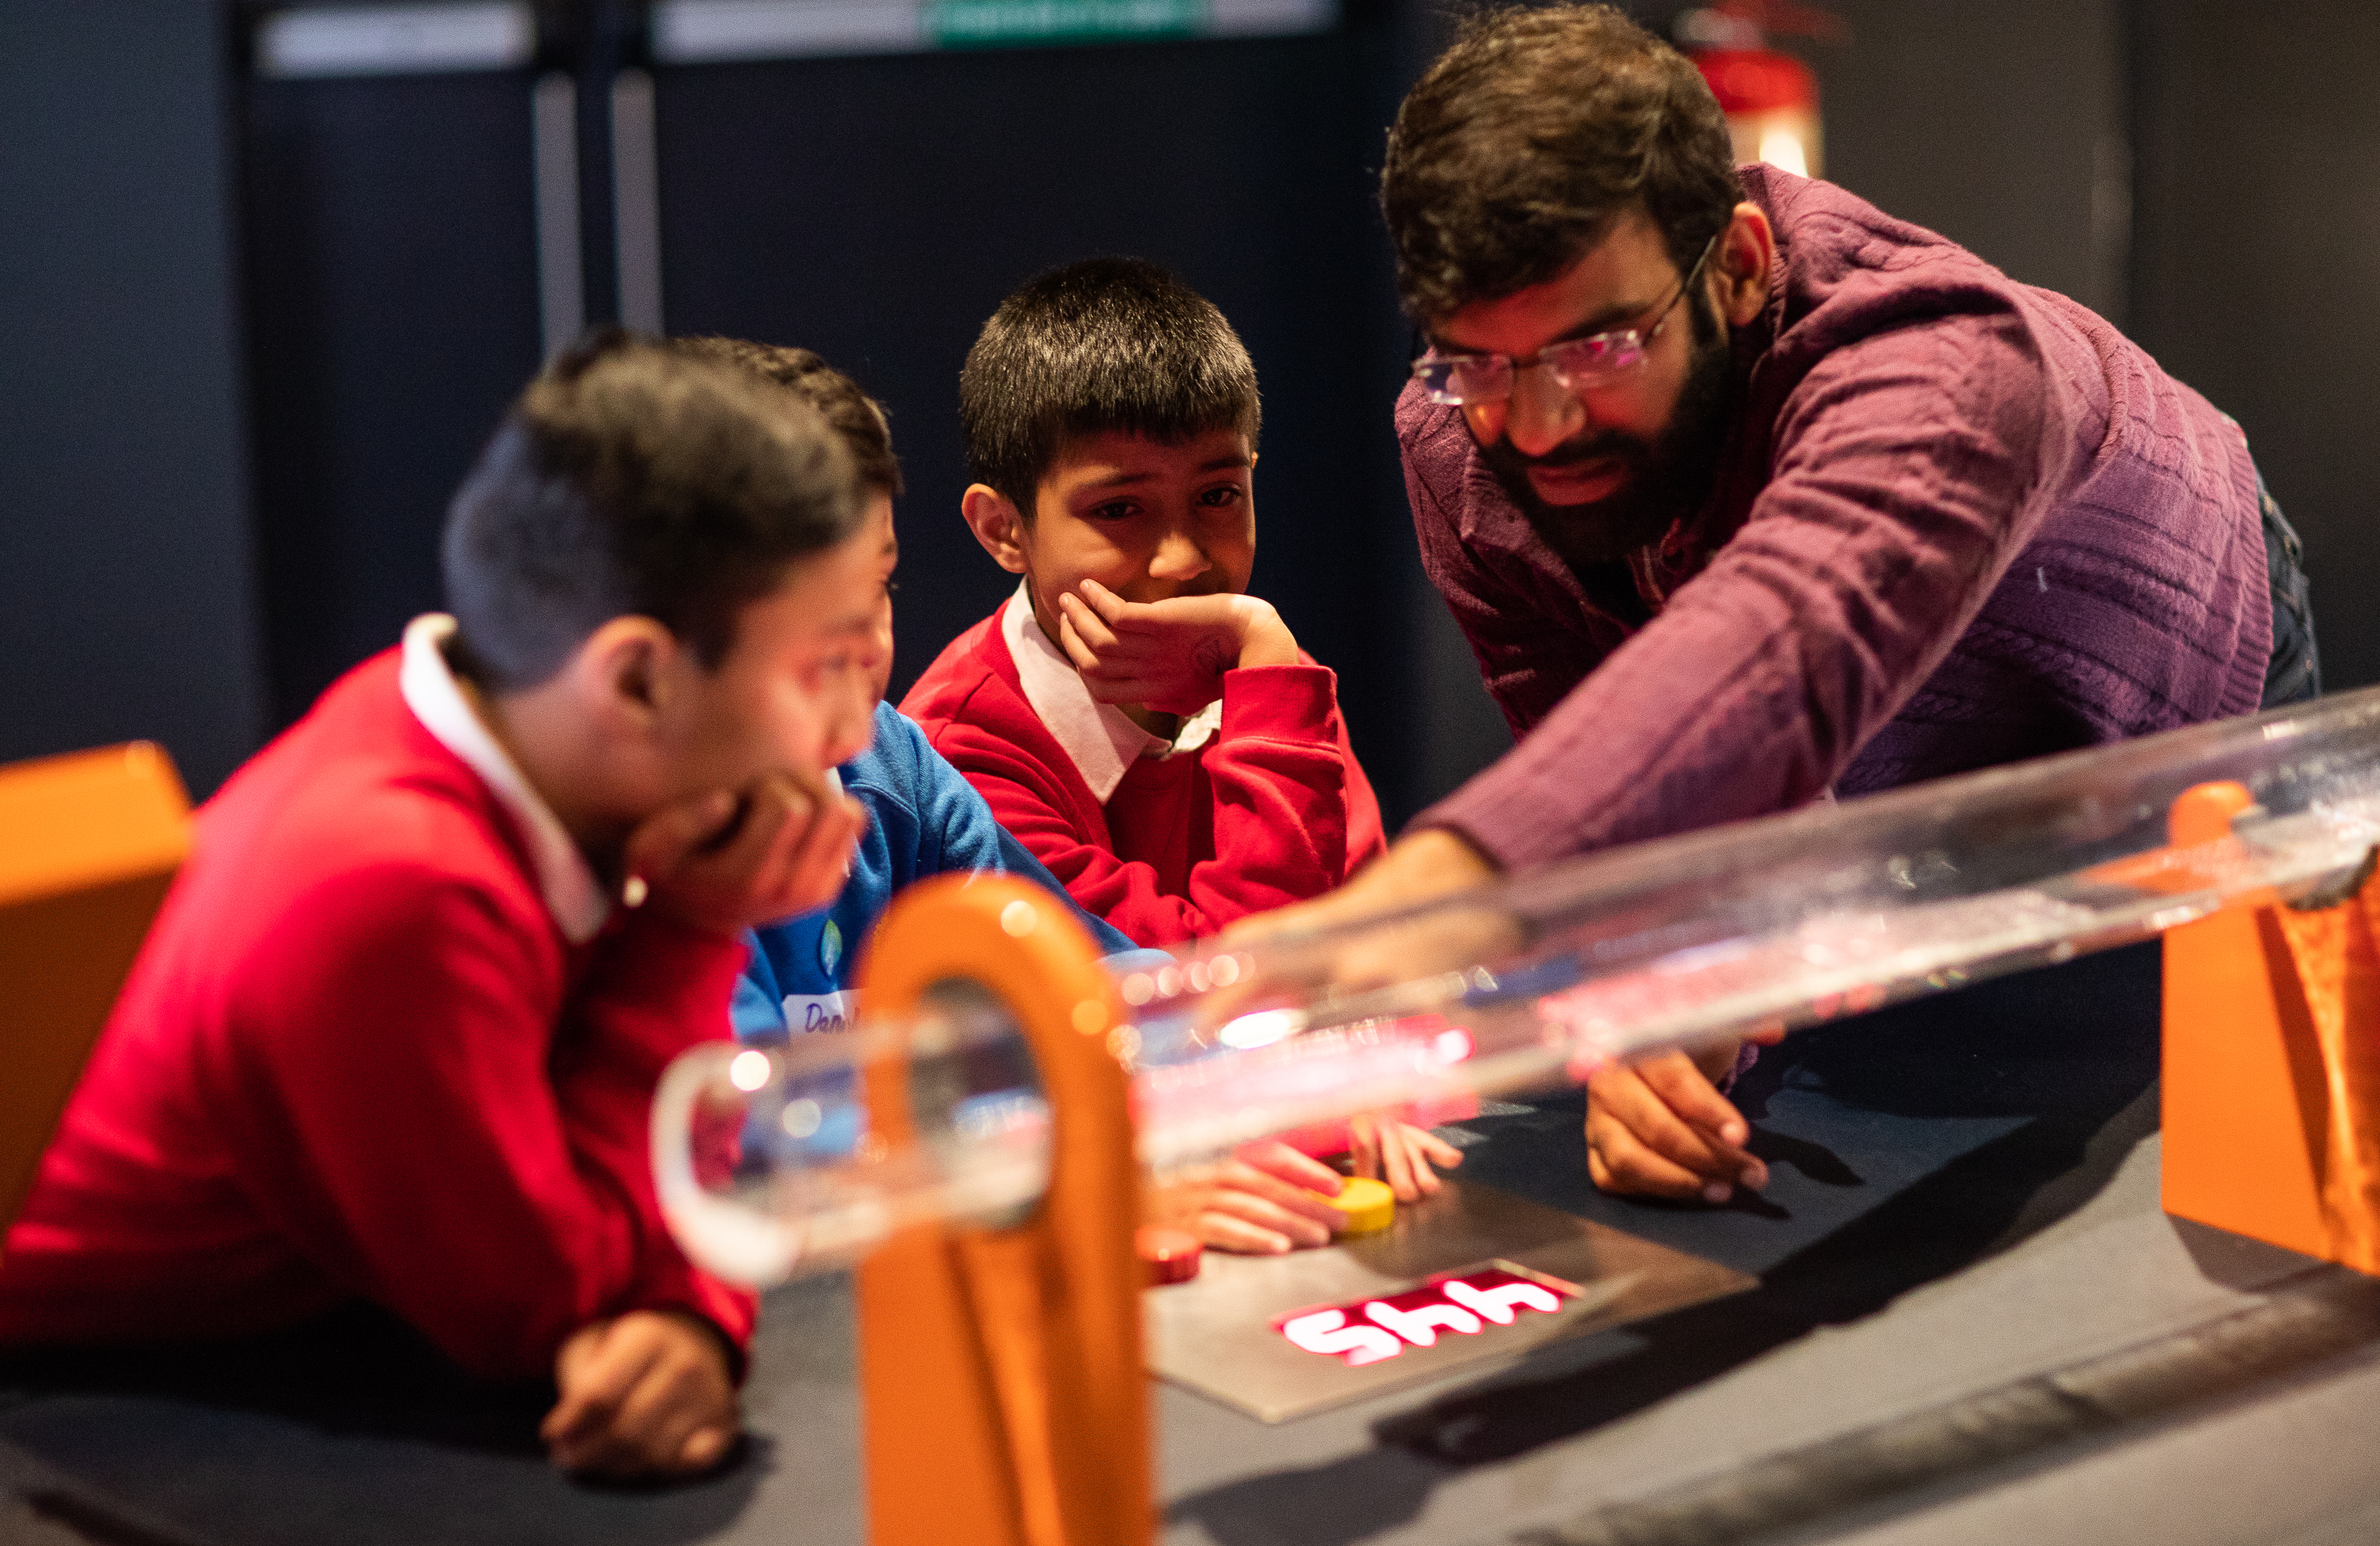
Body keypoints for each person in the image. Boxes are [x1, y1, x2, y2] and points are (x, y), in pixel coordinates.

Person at [1261, 4, 2320, 1204]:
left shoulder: (1957, 362)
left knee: (2174, 1144)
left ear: (1743, 265)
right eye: (1481, 360)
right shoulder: (1460, 446)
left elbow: (1789, 633)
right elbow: (1625, 773)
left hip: (2148, 694)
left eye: (1599, 347)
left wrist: (1442, 897)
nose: (1540, 425)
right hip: (1839, 767)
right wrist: (1649, 997)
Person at [0, 337, 884, 1480]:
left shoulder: (492, 731)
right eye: (823, 667)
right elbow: (544, 1300)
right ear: (636, 680)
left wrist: (687, 1305)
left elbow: (619, 1209)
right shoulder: (393, 882)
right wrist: (689, 935)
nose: (854, 734)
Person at [903, 259, 1458, 1232]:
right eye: (1119, 510)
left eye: (1218, 494)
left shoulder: (1260, 668)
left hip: (1296, 1184)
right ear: (1003, 530)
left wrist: (1368, 1062)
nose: (1183, 559)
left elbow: (1366, 944)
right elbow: (1220, 995)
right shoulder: (961, 749)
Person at [668, 336, 1137, 1047]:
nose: (867, 646)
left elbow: (1076, 973)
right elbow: (749, 1132)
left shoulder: (890, 764)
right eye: (817, 610)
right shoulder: (655, 830)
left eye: (877, 588)